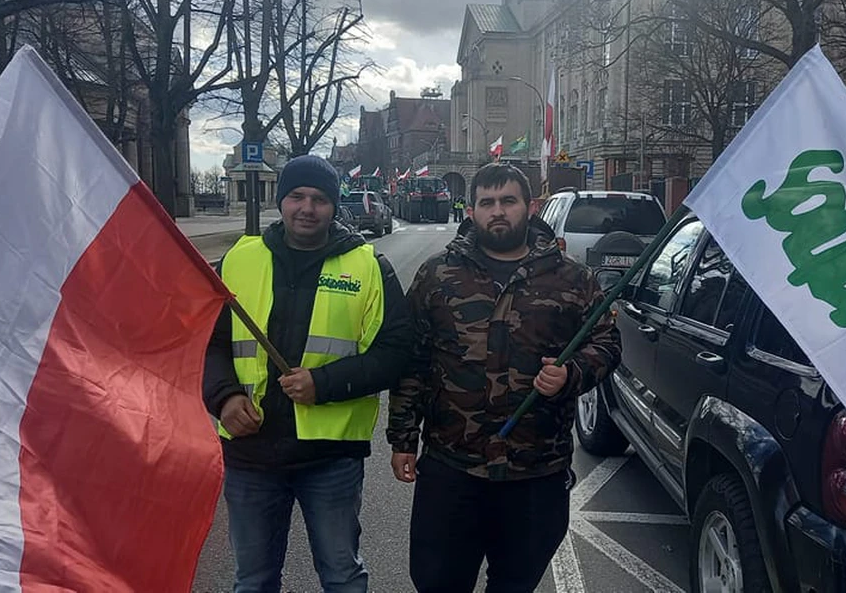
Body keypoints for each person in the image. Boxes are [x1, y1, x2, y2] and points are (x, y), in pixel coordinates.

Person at [387, 163, 621, 593]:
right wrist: (403, 437)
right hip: (452, 468)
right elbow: (413, 359)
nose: (498, 211)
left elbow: (607, 344)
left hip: (535, 473)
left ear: (530, 208)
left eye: (508, 201)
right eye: (487, 202)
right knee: (436, 582)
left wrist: (571, 373)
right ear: (472, 210)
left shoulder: (572, 278)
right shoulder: (437, 274)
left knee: (515, 584)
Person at [203, 155, 412, 593]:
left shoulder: (369, 266)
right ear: (281, 201)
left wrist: (324, 384)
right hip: (251, 453)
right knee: (254, 580)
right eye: (296, 196)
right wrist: (223, 397)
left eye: (319, 198)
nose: (307, 207)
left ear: (335, 206)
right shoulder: (239, 261)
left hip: (330, 457)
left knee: (342, 576)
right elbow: (208, 342)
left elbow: (396, 353)